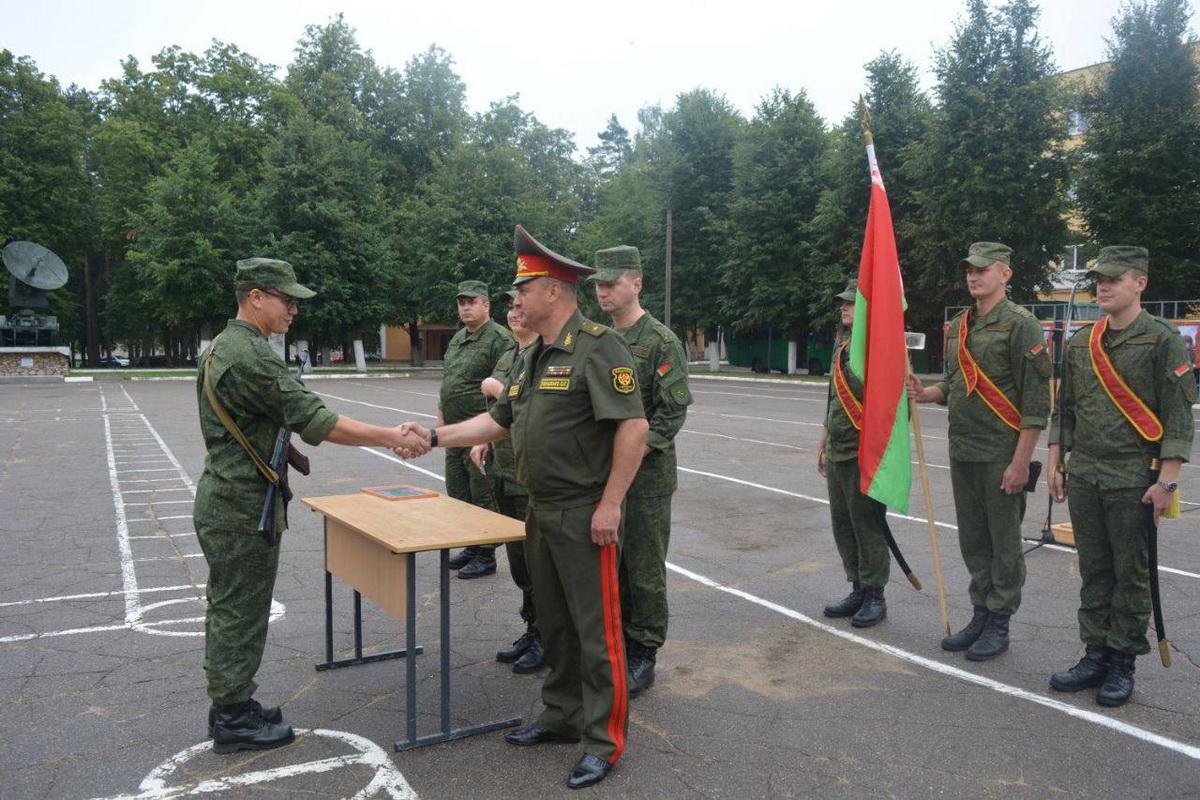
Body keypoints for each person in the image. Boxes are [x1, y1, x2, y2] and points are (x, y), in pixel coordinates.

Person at [397, 225, 647, 790]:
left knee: (597, 631)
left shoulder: (600, 347)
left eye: (521, 291)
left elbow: (634, 427)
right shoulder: (534, 356)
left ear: (553, 293)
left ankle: (604, 742)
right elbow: (497, 420)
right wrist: (434, 438)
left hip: (586, 513)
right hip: (539, 509)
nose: (514, 301)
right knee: (554, 623)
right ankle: (561, 716)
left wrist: (611, 504)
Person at [195, 258, 427, 753]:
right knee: (239, 610)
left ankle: (232, 701)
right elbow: (318, 420)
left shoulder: (227, 346)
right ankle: (233, 717)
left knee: (234, 605)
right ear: (255, 296)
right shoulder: (251, 355)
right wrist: (392, 436)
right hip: (240, 506)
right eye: (286, 298)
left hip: (231, 495)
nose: (293, 308)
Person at [1046, 246, 1195, 707]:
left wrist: (1166, 482)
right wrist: (1056, 461)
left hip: (1137, 477)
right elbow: (1065, 410)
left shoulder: (1162, 339)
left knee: (1131, 574)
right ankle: (1094, 654)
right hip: (1086, 472)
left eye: (1113, 279)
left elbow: (1178, 416)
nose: (1103, 287)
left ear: (1139, 283)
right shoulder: (1080, 342)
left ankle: (1122, 662)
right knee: (1094, 570)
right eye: (1098, 281)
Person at [909, 242, 1050, 661]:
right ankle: (980, 611)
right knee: (974, 540)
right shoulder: (959, 325)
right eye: (969, 270)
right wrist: (924, 392)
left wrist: (1021, 461)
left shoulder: (1021, 324)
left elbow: (1035, 403)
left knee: (1003, 542)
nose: (973, 276)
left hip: (1001, 452)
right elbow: (954, 385)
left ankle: (1000, 620)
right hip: (964, 449)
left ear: (1004, 274)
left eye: (982, 270)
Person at [589, 244, 692, 695]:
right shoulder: (596, 337)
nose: (603, 291)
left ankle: (643, 650)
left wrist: (628, 457)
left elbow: (670, 416)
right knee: (607, 567)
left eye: (612, 282)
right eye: (598, 283)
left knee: (643, 569)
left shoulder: (660, 341)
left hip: (645, 480)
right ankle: (613, 644)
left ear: (637, 283)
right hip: (600, 475)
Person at [470, 291, 545, 673]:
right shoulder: (509, 355)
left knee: (536, 562)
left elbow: (527, 406)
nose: (515, 313)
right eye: (510, 308)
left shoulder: (543, 355)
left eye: (520, 306)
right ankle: (533, 627)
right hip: (504, 469)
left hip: (528, 476)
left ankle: (546, 635)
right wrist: (484, 439)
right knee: (518, 562)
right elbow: (501, 414)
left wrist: (499, 390)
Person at [818, 280, 890, 628]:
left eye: (850, 304)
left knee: (867, 525)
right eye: (842, 304)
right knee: (843, 524)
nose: (844, 309)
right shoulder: (842, 347)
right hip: (839, 448)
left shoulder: (875, 349)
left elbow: (887, 404)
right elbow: (833, 399)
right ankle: (858, 586)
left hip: (865, 451)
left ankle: (875, 593)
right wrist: (823, 441)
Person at [440, 280, 516, 579]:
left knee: (482, 493)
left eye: (472, 302)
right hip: (454, 431)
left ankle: (486, 554)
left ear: (486, 305)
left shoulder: (499, 338)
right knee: (458, 493)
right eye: (461, 303)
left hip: (480, 433)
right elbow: (449, 380)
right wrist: (441, 415)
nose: (466, 307)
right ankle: (471, 545)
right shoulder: (458, 338)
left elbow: (504, 385)